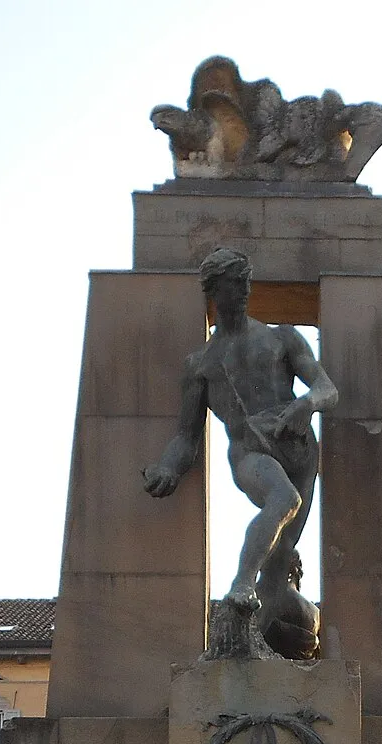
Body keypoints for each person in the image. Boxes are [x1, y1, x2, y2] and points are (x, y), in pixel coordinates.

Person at [142, 247, 338, 657]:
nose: (245, 292)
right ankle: (240, 587)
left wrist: (306, 405)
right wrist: (167, 469)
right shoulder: (202, 363)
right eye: (236, 284)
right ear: (216, 291)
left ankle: (264, 642)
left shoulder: (282, 337)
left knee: (281, 559)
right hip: (250, 454)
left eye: (247, 282)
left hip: (301, 450)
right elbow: (186, 435)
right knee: (284, 500)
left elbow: (326, 388)